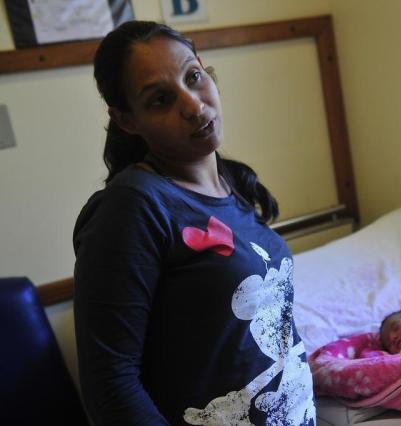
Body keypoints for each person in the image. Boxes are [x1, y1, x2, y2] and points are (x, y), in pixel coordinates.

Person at [73, 21, 315, 425]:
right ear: (126, 119)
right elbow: (111, 386)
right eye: (159, 100)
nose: (194, 106)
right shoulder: (134, 205)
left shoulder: (233, 187)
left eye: (193, 77)